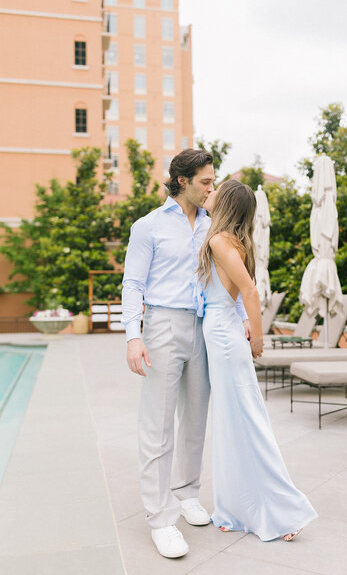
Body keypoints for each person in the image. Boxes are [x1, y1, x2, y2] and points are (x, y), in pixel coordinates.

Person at [121, 149, 249, 559]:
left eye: (214, 181)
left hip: (204, 326)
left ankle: (187, 492)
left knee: (195, 415)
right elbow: (132, 284)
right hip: (162, 325)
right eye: (206, 182)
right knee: (157, 423)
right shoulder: (148, 227)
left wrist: (243, 315)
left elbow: (228, 274)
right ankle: (160, 517)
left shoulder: (214, 226)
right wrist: (132, 335)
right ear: (182, 180)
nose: (213, 188)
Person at [198, 179, 318, 542]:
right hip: (221, 334)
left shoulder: (220, 242)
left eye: (215, 188)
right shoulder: (232, 242)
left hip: (224, 336)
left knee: (247, 422)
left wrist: (258, 335)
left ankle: (285, 510)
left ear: (227, 203)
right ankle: (237, 508)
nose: (210, 191)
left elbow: (249, 290)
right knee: (233, 424)